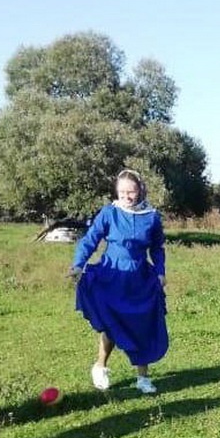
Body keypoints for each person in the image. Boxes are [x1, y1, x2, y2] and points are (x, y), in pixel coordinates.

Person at [70, 169, 168, 394]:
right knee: (112, 324)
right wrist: (78, 264)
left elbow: (157, 248)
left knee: (143, 326)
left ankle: (143, 378)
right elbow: (90, 239)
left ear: (140, 190)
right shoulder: (109, 213)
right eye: (122, 192)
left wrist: (160, 271)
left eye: (131, 191)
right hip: (112, 276)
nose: (126, 196)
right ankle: (100, 366)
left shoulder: (151, 217)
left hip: (139, 279)